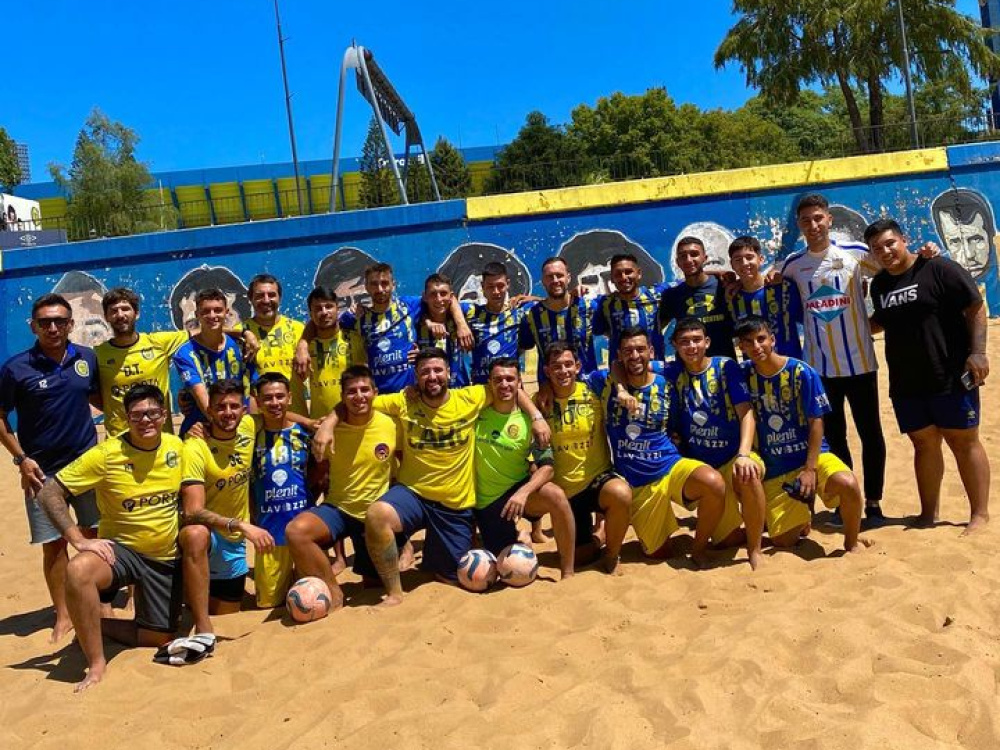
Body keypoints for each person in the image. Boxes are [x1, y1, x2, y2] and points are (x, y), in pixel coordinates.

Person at [314, 348, 549, 605]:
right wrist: (328, 423)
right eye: (425, 371)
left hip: (454, 504)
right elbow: (358, 400)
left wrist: (537, 417)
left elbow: (512, 387)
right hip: (414, 493)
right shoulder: (404, 401)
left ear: (449, 373)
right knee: (378, 514)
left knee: (456, 577)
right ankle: (394, 592)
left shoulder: (470, 397)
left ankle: (469, 544)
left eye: (438, 370)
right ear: (416, 376)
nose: (432, 376)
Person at [36, 384, 185, 692]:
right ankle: (96, 661)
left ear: (163, 414)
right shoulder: (106, 454)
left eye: (152, 413)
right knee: (78, 570)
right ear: (125, 417)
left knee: (157, 638)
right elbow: (50, 492)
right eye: (137, 415)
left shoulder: (177, 446)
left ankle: (93, 625)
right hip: (122, 552)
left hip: (164, 555)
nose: (145, 420)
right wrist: (78, 539)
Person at [866, 218, 991, 533]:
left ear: (904, 240)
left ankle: (979, 514)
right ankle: (927, 513)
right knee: (923, 445)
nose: (885, 251)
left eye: (890, 243)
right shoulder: (880, 284)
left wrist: (977, 352)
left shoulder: (937, 268)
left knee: (964, 442)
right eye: (877, 248)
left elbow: (975, 306)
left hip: (948, 373)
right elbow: (880, 322)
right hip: (907, 381)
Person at [779, 193, 887, 525]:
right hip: (821, 369)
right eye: (806, 220)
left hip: (860, 363)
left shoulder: (856, 255)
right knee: (835, 436)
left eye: (818, 218)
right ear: (799, 225)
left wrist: (926, 255)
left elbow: (896, 266)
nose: (813, 225)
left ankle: (873, 503)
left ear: (829, 220)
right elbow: (769, 289)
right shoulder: (793, 266)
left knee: (871, 433)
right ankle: (845, 501)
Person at [0, 293, 101, 643]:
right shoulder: (16, 368)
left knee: (92, 535)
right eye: (45, 322)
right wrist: (20, 458)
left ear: (71, 324)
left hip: (87, 465)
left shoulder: (87, 358)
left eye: (60, 321)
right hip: (40, 472)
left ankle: (97, 602)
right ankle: (63, 614)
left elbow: (100, 398)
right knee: (54, 545)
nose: (53, 327)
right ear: (33, 326)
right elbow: (0, 416)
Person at [601, 327, 731, 566]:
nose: (635, 355)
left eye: (640, 349)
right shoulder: (605, 383)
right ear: (618, 355)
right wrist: (620, 389)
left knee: (713, 483)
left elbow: (678, 421)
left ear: (651, 351)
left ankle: (699, 548)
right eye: (627, 351)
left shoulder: (667, 383)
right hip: (638, 482)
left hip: (669, 466)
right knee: (658, 554)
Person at [735, 316, 865, 552]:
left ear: (772, 340)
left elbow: (817, 421)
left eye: (761, 339)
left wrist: (810, 469)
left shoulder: (801, 371)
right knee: (783, 541)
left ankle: (852, 544)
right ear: (740, 347)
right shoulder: (742, 374)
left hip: (810, 457)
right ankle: (802, 514)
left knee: (848, 483)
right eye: (748, 342)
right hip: (776, 466)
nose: (756, 346)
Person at [285, 365, 398, 607]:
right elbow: (277, 414)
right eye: (351, 392)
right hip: (339, 509)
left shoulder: (390, 423)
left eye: (364, 390)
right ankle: (333, 594)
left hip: (374, 516)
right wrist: (324, 424)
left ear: (375, 392)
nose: (359, 397)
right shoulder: (328, 427)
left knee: (373, 583)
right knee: (297, 532)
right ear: (342, 397)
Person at [664, 319, 766, 569]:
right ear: (675, 346)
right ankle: (761, 520)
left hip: (733, 457)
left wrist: (744, 453)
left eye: (697, 340)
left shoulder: (725, 366)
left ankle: (755, 551)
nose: (691, 346)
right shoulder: (671, 371)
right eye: (684, 342)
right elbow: (619, 366)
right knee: (725, 541)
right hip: (705, 468)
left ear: (707, 342)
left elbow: (746, 413)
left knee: (749, 473)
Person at [178, 381, 270, 636]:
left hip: (233, 543)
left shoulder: (249, 427)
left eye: (233, 406)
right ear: (209, 411)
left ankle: (189, 593)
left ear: (243, 410)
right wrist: (239, 524)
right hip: (210, 537)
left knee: (228, 611)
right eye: (220, 407)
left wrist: (315, 424)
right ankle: (197, 616)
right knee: (195, 533)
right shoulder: (196, 446)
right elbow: (192, 510)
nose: (227, 412)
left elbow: (277, 414)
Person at [474, 357, 576, 579]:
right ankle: (521, 536)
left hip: (519, 494)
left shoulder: (530, 422)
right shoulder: (475, 414)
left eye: (510, 379)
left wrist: (524, 492)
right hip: (487, 502)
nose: (504, 385)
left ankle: (568, 571)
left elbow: (548, 467)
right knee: (499, 568)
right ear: (489, 383)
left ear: (519, 383)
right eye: (498, 380)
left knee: (556, 495)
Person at [541, 342, 632, 574]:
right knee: (581, 557)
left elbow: (617, 365)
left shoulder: (593, 388)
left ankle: (612, 555)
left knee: (620, 493)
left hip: (596, 480)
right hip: (565, 492)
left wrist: (621, 390)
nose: (563, 371)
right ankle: (597, 538)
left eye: (568, 365)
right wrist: (543, 392)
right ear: (547, 371)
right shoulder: (539, 402)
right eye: (556, 367)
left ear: (578, 366)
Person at [250, 373, 317, 608]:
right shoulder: (250, 432)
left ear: (290, 398)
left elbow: (321, 471)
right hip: (270, 534)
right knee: (268, 604)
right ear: (257, 402)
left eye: (280, 396)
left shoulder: (305, 433)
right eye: (267, 398)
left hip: (303, 531)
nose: (275, 403)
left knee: (310, 601)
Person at [173, 289, 252, 436]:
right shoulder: (185, 353)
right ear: (197, 315)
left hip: (240, 427)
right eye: (206, 311)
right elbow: (202, 399)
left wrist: (249, 426)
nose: (212, 316)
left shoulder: (241, 345)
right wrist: (224, 430)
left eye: (217, 310)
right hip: (202, 430)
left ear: (226, 312)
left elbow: (252, 388)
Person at [519, 256, 598, 381]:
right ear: (543, 281)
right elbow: (519, 350)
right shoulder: (531, 315)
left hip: (588, 390)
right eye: (550, 277)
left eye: (559, 275)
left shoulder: (589, 308)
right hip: (550, 393)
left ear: (569, 278)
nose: (555, 280)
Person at [658, 237, 737, 358]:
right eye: (683, 256)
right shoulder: (672, 295)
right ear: (677, 262)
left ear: (705, 258)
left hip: (724, 366)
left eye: (694, 254)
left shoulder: (724, 286)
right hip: (687, 369)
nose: (689, 260)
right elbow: (657, 328)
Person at [726, 237, 803, 358]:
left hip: (789, 367)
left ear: (761, 259)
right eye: (738, 260)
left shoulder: (783, 288)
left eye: (749, 257)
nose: (745, 263)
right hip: (756, 372)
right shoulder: (731, 297)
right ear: (731, 265)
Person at [242, 274, 307, 413]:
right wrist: (244, 333)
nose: (266, 300)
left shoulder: (298, 329)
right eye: (260, 295)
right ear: (250, 299)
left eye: (271, 295)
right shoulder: (239, 332)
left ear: (279, 298)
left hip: (297, 419)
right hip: (260, 422)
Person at [462, 262, 534, 384]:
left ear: (508, 284)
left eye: (500, 286)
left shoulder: (519, 312)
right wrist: (461, 325)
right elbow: (448, 302)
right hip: (481, 389)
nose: (496, 291)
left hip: (510, 388)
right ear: (482, 286)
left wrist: (535, 298)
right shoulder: (472, 312)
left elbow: (556, 301)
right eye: (490, 286)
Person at [593, 253, 669, 360]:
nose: (624, 277)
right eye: (618, 274)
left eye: (628, 272)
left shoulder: (657, 295)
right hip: (621, 371)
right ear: (612, 278)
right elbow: (598, 330)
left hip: (654, 368)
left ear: (639, 273)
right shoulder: (605, 304)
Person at [300, 285, 358, 420]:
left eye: (329, 306)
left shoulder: (357, 339)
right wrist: (302, 345)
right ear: (310, 313)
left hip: (353, 423)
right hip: (319, 424)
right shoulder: (304, 345)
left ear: (338, 308)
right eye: (318, 309)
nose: (324, 312)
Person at [417, 273, 470, 387]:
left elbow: (493, 308)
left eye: (443, 293)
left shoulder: (464, 313)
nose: (439, 299)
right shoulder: (414, 320)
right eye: (433, 294)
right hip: (428, 394)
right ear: (425, 297)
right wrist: (429, 323)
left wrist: (517, 299)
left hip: (459, 391)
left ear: (451, 296)